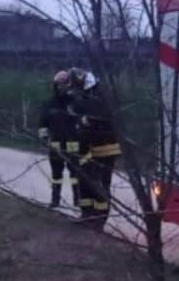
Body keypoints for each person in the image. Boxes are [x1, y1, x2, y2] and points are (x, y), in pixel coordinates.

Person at [70, 68, 120, 231]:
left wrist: (85, 119)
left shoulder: (101, 93)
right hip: (88, 147)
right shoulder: (87, 94)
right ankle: (87, 214)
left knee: (101, 184)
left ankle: (99, 220)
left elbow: (102, 116)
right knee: (84, 181)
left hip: (105, 147)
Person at [37, 70, 79, 208]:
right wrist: (44, 138)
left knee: (75, 173)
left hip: (73, 143)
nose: (62, 87)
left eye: (65, 84)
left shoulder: (75, 103)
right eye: (59, 85)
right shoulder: (49, 104)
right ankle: (55, 200)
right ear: (55, 86)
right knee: (56, 174)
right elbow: (43, 123)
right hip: (55, 143)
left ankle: (77, 201)